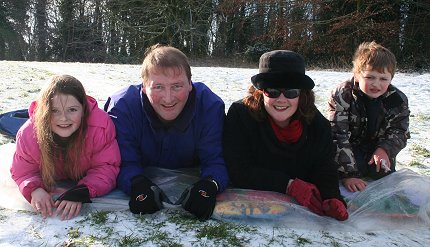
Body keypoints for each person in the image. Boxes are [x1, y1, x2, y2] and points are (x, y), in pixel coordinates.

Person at [104, 44, 229, 221]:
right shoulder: (122, 108)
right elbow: (121, 161)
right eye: (158, 87)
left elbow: (215, 159)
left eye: (177, 86)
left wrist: (209, 184)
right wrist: (135, 182)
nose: (168, 98)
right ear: (144, 87)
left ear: (190, 85)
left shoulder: (209, 106)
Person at [223, 50, 348, 221]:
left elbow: (324, 165)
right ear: (260, 92)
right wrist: (288, 185)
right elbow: (238, 169)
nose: (281, 99)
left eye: (290, 92)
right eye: (273, 91)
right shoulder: (241, 116)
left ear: (302, 95)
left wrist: (331, 196)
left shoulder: (318, 125)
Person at [10, 75, 121, 220]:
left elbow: (107, 166)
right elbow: (23, 170)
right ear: (44, 111)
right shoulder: (29, 134)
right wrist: (34, 189)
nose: (63, 118)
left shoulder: (100, 127)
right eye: (55, 111)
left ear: (84, 109)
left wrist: (83, 190)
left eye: (72, 110)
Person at [327, 41, 410, 192]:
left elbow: (399, 131)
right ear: (357, 75)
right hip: (349, 147)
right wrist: (348, 173)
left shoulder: (397, 100)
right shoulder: (342, 94)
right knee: (344, 180)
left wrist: (384, 149)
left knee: (384, 177)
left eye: (383, 79)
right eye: (370, 77)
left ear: (391, 79)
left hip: (377, 148)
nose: (376, 84)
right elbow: (337, 134)